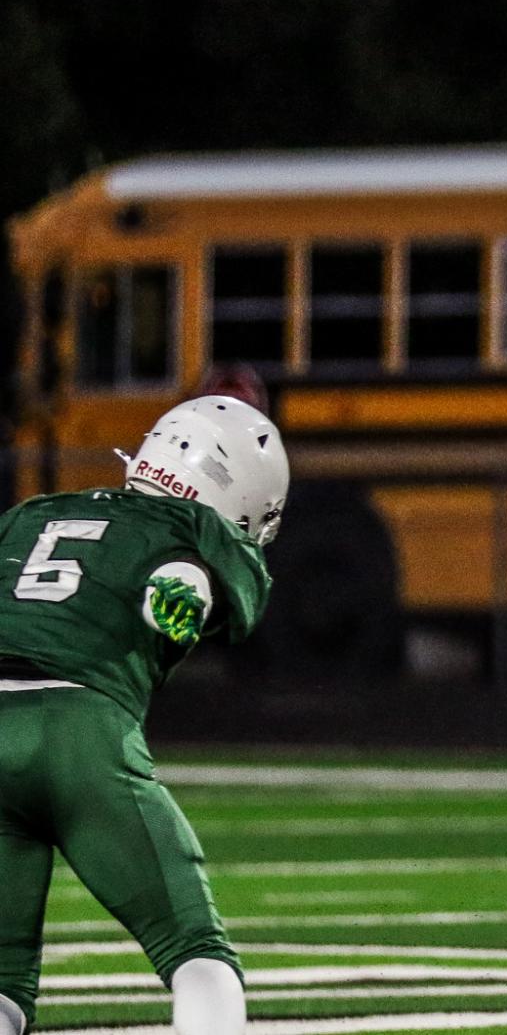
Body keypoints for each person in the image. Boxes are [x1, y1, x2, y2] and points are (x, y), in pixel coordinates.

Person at [0, 395, 289, 1035]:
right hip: (75, 728)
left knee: (2, 984)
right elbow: (188, 580)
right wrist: (188, 588)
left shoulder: (34, 513)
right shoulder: (196, 529)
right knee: (197, 953)